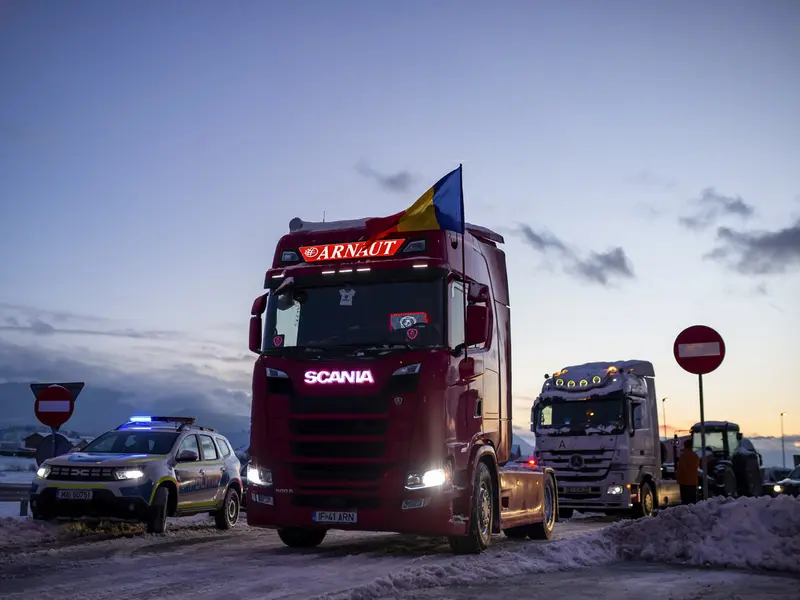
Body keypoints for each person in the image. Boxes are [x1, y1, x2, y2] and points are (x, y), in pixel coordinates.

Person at [676, 438, 700, 504]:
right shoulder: (696, 456)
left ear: (685, 446)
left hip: (684, 482)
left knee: (685, 501)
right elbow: (696, 467)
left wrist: (678, 478)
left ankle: (686, 513)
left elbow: (681, 469)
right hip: (693, 482)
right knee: (692, 501)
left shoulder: (683, 456)